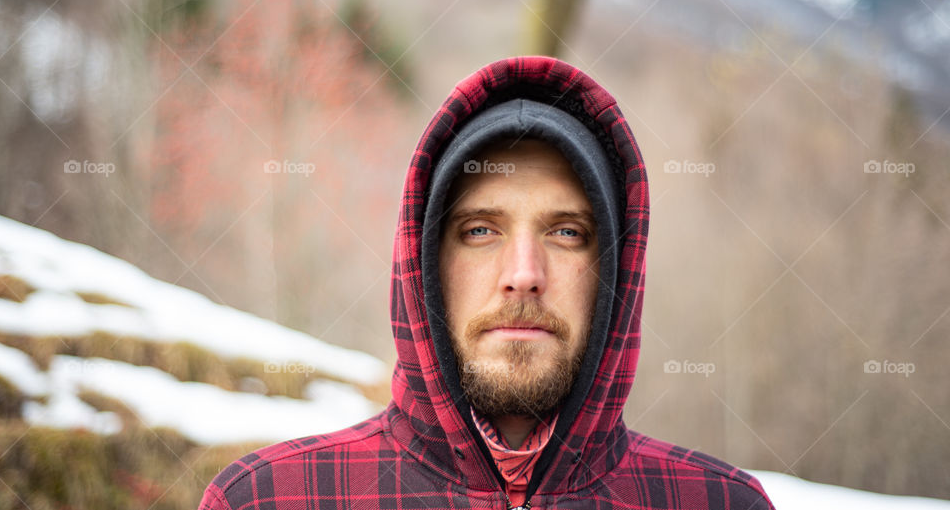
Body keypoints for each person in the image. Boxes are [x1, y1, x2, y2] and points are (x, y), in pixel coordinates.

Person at [198, 56, 775, 510]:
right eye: (479, 230)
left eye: (568, 233)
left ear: (616, 273)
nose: (524, 274)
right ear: (424, 263)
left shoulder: (721, 503)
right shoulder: (267, 498)